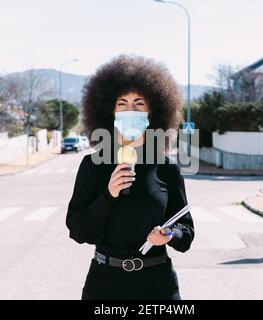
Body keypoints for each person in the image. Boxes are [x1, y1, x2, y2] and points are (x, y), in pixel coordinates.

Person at [65, 54, 195, 300]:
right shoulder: (92, 165)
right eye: (122, 103)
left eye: (139, 104)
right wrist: (108, 195)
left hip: (157, 283)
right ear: (110, 112)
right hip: (105, 283)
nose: (130, 110)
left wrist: (170, 235)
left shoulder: (166, 167)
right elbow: (78, 231)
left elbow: (186, 231)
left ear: (153, 112)